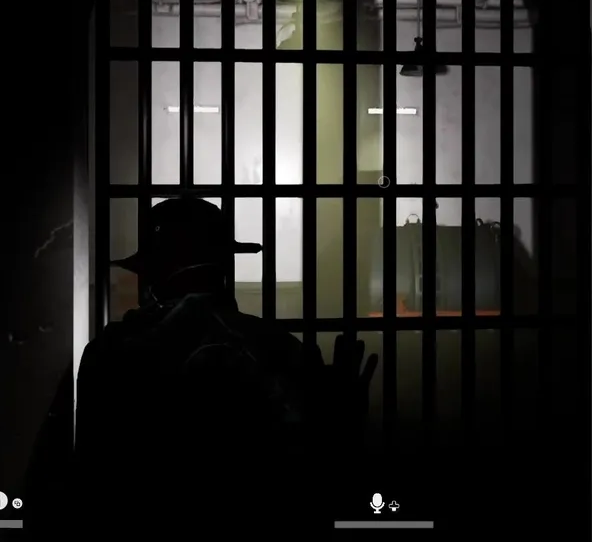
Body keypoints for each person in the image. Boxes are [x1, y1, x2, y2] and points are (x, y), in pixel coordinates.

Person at [73, 197, 376, 530]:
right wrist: (341, 423)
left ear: (151, 273)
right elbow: (323, 478)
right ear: (224, 265)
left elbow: (91, 475)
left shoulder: (112, 350)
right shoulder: (277, 345)